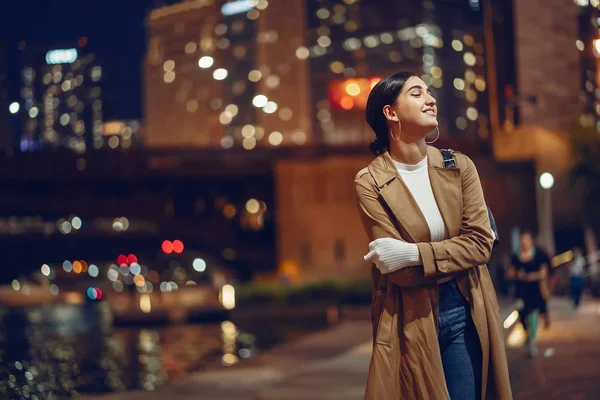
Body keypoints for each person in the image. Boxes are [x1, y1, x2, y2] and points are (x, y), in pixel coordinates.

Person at [354, 71, 512, 400]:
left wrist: (412, 254)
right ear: (391, 112)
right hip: (409, 318)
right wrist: (442, 255)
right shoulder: (369, 182)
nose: (431, 99)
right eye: (416, 93)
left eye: (429, 92)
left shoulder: (459, 166)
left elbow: (481, 244)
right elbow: (400, 275)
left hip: (465, 303)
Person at [508, 231, 549, 357]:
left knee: (534, 316)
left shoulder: (539, 255)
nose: (524, 242)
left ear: (531, 241)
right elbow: (510, 272)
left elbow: (543, 273)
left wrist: (531, 276)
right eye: (522, 240)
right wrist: (518, 275)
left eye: (526, 239)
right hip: (521, 292)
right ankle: (527, 334)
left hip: (535, 290)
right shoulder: (516, 256)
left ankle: (532, 342)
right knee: (522, 315)